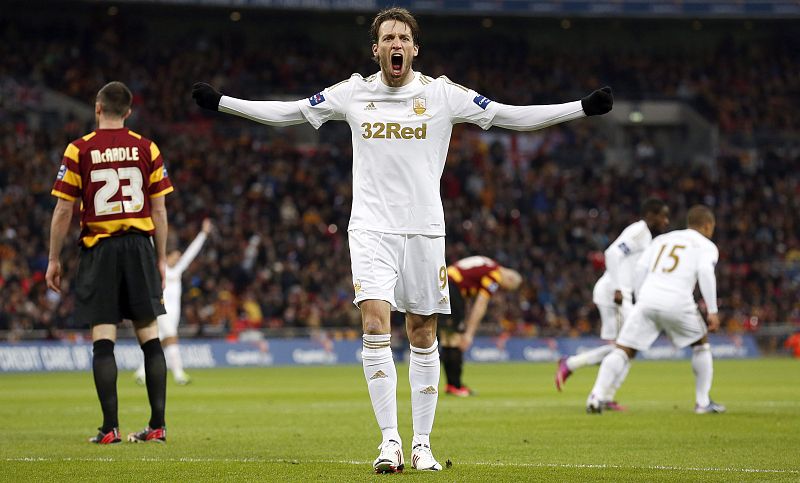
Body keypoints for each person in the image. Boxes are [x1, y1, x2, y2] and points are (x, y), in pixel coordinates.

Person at [192, 7, 612, 472]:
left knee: (423, 333)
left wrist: (581, 107)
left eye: (403, 38)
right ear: (376, 49)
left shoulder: (442, 95)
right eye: (388, 37)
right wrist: (224, 103)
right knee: (375, 323)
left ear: (414, 49)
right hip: (370, 228)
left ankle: (422, 444)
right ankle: (389, 441)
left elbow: (511, 116)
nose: (396, 44)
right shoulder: (353, 92)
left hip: (425, 230)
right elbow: (290, 112)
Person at [46, 81, 173, 444]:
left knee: (103, 338)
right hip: (139, 246)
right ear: (129, 112)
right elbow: (160, 209)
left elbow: (64, 209)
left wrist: (54, 259)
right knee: (150, 337)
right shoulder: (147, 147)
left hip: (99, 248)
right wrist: (160, 258)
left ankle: (109, 429)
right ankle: (158, 425)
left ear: (97, 108)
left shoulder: (79, 149)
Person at [585, 205, 725, 415]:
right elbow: (705, 271)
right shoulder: (706, 246)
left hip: (647, 298)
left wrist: (641, 298)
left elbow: (641, 269)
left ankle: (596, 396)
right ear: (707, 226)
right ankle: (703, 403)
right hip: (678, 301)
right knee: (701, 345)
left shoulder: (662, 239)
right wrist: (712, 311)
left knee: (623, 349)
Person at [555, 198, 670, 410]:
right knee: (625, 347)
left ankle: (602, 392)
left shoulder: (647, 237)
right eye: (663, 215)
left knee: (626, 348)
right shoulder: (639, 231)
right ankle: (575, 368)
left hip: (622, 294)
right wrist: (618, 287)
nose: (666, 221)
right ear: (651, 215)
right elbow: (612, 253)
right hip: (614, 294)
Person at [134, 219, 213, 386]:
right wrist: (147, 228)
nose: (177, 260)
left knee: (159, 343)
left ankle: (141, 372)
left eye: (178, 258)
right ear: (167, 256)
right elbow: (151, 247)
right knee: (171, 338)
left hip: (174, 314)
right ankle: (179, 374)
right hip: (161, 311)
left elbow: (191, 253)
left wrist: (203, 234)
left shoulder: (177, 271)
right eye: (174, 257)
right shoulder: (159, 269)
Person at [440, 256, 522, 396]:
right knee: (456, 340)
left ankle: (451, 385)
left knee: (447, 338)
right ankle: (456, 385)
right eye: (505, 288)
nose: (500, 289)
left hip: (443, 283)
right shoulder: (494, 275)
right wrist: (469, 334)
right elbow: (481, 304)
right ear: (509, 279)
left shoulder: (488, 263)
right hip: (452, 288)